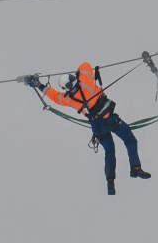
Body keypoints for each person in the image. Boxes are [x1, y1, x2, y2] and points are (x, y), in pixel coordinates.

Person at [26, 62, 150, 195]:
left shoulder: (68, 99)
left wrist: (39, 85)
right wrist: (79, 73)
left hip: (97, 127)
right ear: (73, 79)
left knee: (109, 152)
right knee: (130, 140)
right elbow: (85, 65)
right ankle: (135, 168)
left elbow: (55, 97)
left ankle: (110, 182)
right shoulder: (85, 82)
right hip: (109, 119)